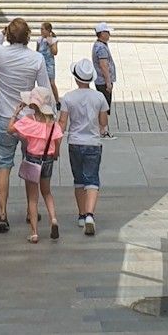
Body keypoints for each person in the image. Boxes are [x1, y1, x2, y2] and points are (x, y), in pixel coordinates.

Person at [0, 19, 51, 234]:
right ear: (28, 36)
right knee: (31, 163)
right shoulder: (36, 58)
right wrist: (49, 117)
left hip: (6, 116)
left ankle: (2, 213)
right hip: (29, 118)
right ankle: (31, 210)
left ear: (9, 35)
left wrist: (0, 34)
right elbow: (44, 90)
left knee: (4, 163)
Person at [59, 57, 109, 235]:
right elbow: (103, 122)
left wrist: (55, 143)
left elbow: (62, 123)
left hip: (75, 142)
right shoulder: (99, 97)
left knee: (79, 180)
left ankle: (81, 215)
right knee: (92, 180)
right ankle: (90, 215)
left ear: (76, 78)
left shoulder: (68, 97)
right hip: (93, 142)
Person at [8, 86, 62, 243]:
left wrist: (16, 113)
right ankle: (53, 219)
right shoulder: (53, 124)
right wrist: (56, 154)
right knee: (47, 192)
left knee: (32, 198)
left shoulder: (29, 120)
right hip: (48, 159)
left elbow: (9, 129)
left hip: (32, 159)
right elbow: (57, 142)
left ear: (32, 104)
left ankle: (34, 232)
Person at [92, 24, 115, 118]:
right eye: (107, 32)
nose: (109, 34)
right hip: (103, 82)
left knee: (103, 106)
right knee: (104, 108)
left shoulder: (99, 44)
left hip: (100, 80)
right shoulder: (101, 48)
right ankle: (103, 125)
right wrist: (108, 83)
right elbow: (103, 66)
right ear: (102, 34)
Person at [36, 22, 60, 107]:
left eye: (42, 29)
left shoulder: (53, 40)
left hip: (49, 64)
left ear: (48, 30)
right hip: (42, 63)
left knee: (52, 83)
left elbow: (55, 52)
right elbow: (37, 52)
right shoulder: (39, 40)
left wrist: (50, 43)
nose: (41, 31)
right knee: (42, 83)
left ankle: (57, 101)